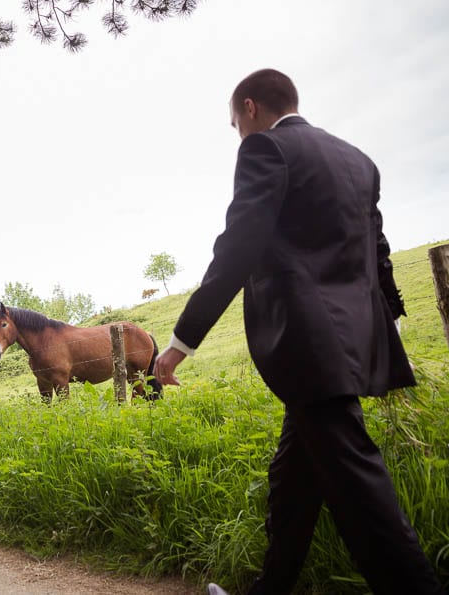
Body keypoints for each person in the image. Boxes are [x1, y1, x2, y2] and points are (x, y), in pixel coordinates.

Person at [152, 69, 444, 595]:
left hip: (308, 344)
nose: (238, 133)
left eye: (235, 123)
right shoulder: (358, 160)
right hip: (352, 339)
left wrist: (181, 343)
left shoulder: (265, 150)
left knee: (359, 488)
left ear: (250, 108)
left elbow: (237, 248)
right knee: (294, 480)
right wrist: (387, 320)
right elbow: (376, 249)